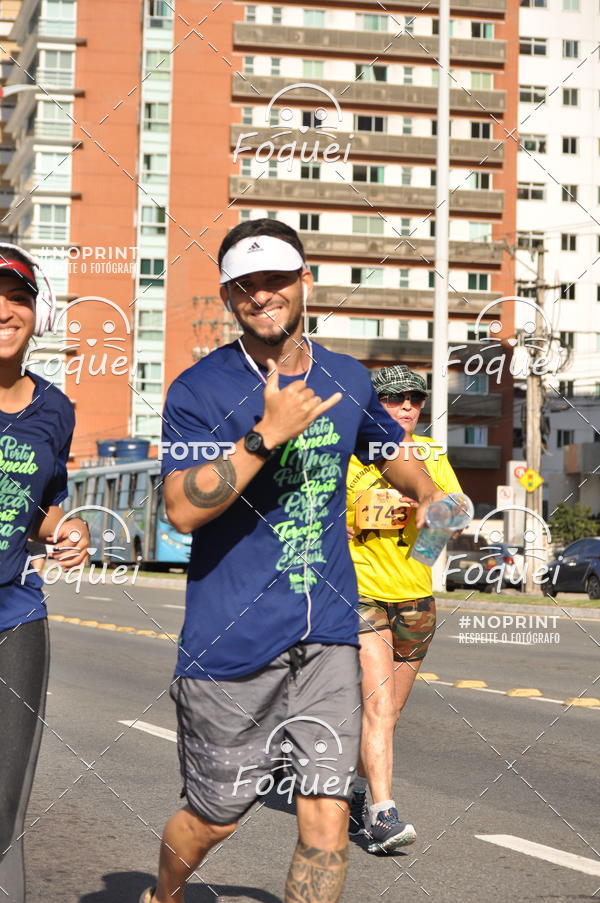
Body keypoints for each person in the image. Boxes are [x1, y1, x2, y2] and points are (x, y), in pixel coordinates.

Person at [142, 220, 446, 903]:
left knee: (327, 811)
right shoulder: (200, 390)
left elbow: (400, 463)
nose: (263, 294)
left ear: (304, 281)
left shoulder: (347, 377)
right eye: (245, 285)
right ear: (227, 296)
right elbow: (182, 511)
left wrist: (425, 509)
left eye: (276, 278)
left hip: (331, 633)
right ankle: (161, 894)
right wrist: (266, 435)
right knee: (216, 815)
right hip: (231, 641)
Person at [0, 244, 89, 901]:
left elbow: (40, 506)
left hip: (16, 615)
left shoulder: (56, 411)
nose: (5, 310)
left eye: (19, 297)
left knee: (4, 798)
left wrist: (66, 527)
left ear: (39, 312)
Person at [346, 365, 461, 853]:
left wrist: (435, 520)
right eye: (396, 400)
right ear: (375, 406)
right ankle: (383, 814)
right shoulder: (349, 455)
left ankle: (349, 787)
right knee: (376, 704)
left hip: (415, 597)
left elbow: (454, 511)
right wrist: (344, 522)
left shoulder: (431, 456)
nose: (408, 406)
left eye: (415, 398)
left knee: (389, 711)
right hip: (361, 595)